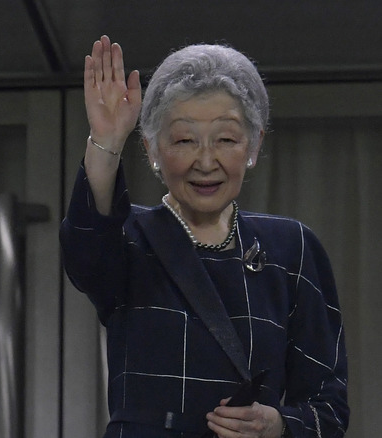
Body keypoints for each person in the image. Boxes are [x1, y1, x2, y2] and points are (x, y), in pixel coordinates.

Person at [60, 36, 349, 438]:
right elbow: (83, 257)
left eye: (226, 139)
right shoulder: (130, 237)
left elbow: (329, 409)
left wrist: (277, 424)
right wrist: (107, 141)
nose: (206, 161)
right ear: (152, 149)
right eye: (184, 140)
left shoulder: (292, 248)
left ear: (254, 145)